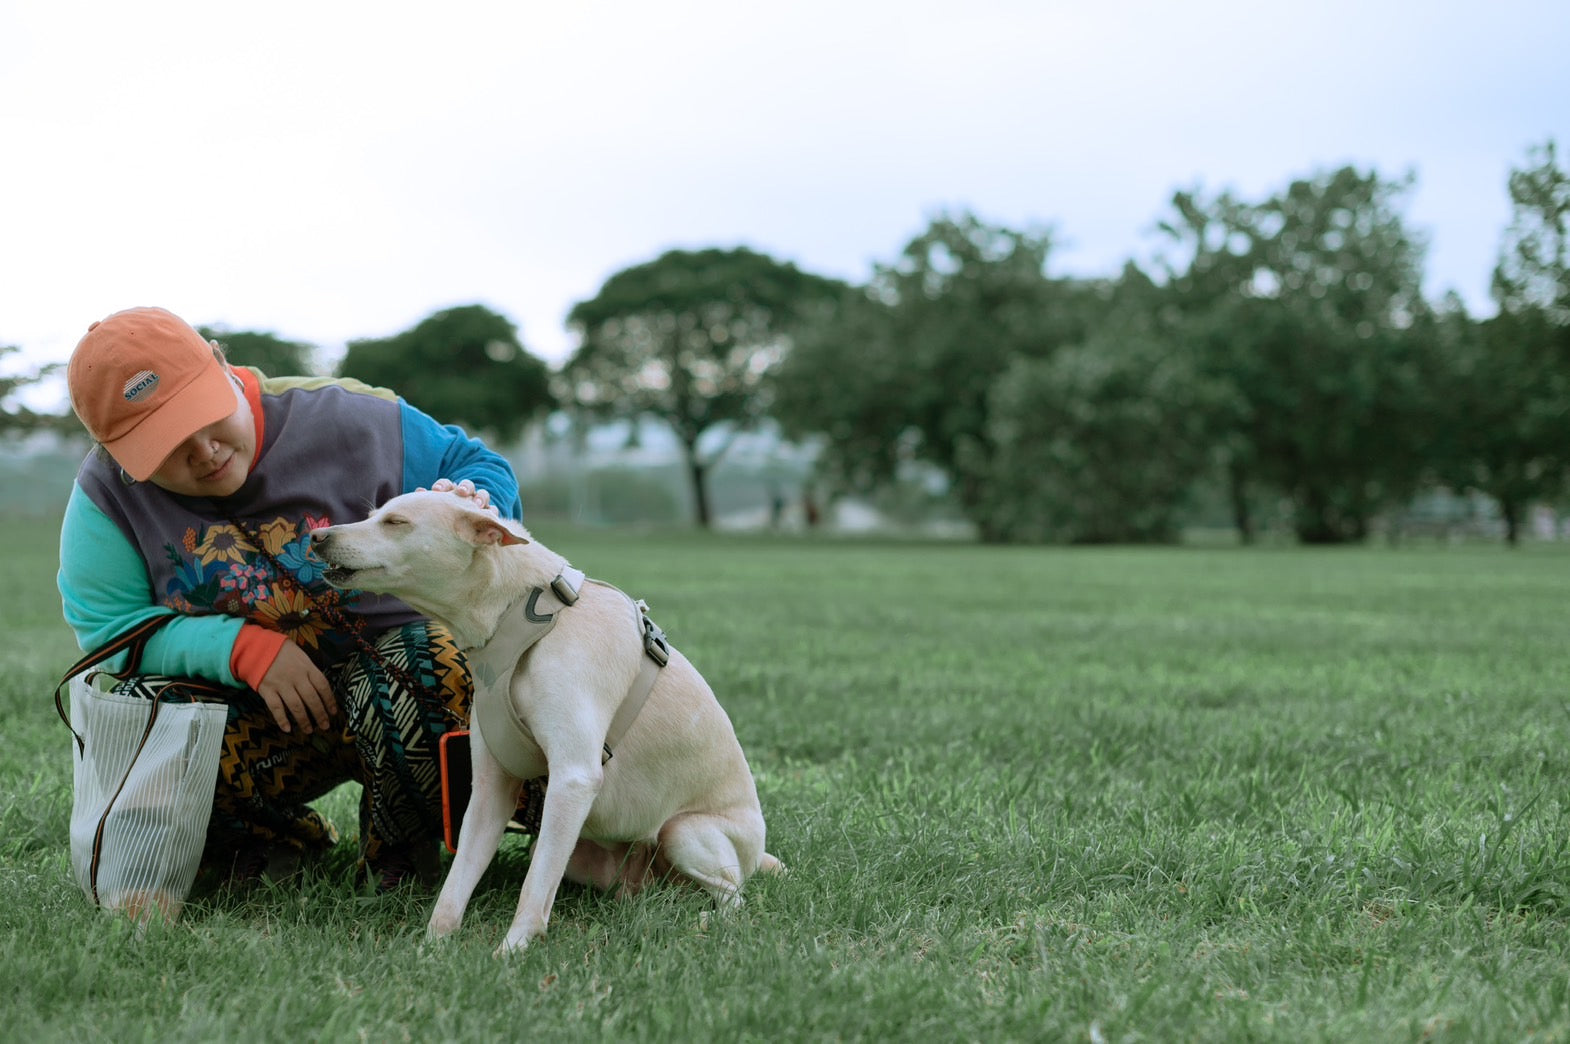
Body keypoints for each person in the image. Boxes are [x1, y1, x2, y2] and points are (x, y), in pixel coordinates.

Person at [58, 305, 522, 892]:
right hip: (261, 711)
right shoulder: (107, 496)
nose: (203, 451)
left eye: (203, 415)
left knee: (430, 660)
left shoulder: (352, 417)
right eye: (166, 445)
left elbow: (475, 463)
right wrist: (241, 649)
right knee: (152, 707)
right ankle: (268, 843)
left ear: (223, 365)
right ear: (118, 452)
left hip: (398, 680)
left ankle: (403, 852)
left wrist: (475, 498)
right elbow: (110, 630)